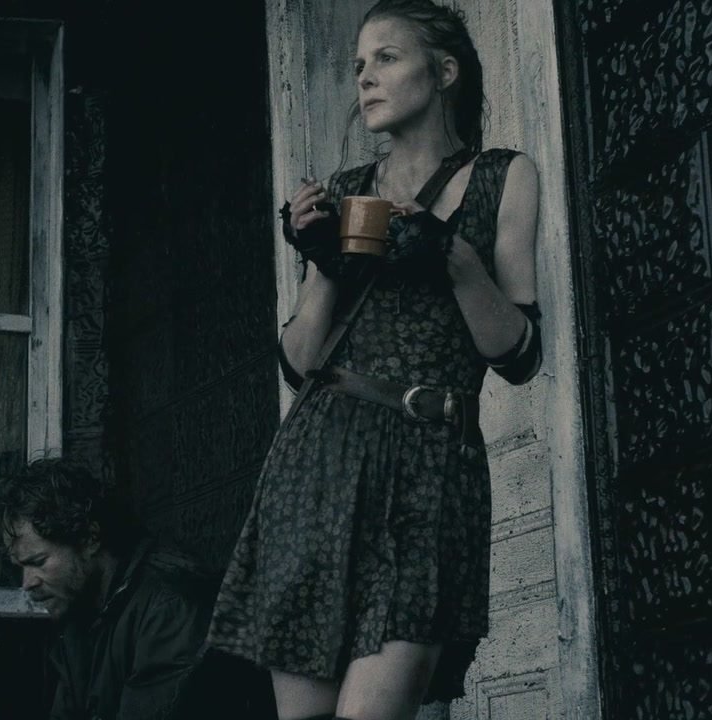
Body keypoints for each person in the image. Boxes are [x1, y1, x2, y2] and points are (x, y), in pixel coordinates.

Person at [205, 2, 543, 719]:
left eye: (386, 57)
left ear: (444, 71)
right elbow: (298, 364)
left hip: (429, 461)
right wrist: (324, 263)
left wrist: (453, 259)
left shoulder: (502, 177)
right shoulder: (347, 189)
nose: (365, 77)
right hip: (320, 458)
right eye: (359, 64)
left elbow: (518, 354)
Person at [0, 458, 272, 720]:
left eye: (38, 562)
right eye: (20, 567)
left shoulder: (170, 607)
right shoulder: (79, 614)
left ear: (89, 538)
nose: (27, 582)